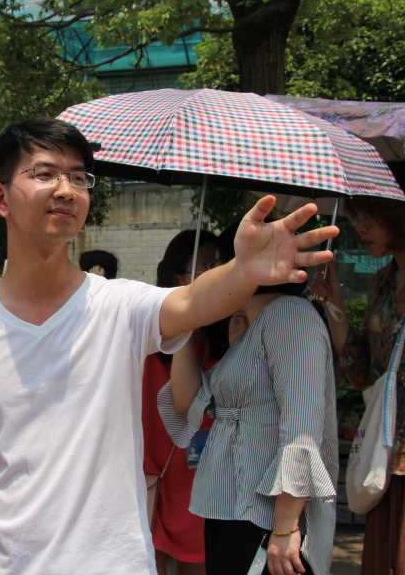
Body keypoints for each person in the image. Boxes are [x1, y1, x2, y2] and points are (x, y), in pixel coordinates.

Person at [0, 117, 338, 575]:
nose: (66, 189)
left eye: (78, 178)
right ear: (0, 197)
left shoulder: (120, 305)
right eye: (45, 174)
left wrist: (243, 271)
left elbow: (191, 301)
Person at [310, 161, 405, 575]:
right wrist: (334, 303)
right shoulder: (382, 283)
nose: (361, 227)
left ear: (403, 209)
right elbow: (363, 373)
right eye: (356, 217)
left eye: (369, 215)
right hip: (385, 464)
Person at [161, 276, 338, 575]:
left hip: (266, 516)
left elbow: (302, 425)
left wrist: (285, 525)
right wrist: (185, 324)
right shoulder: (253, 325)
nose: (215, 274)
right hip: (228, 503)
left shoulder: (290, 314)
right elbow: (188, 399)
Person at [142, 230, 227, 575]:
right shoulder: (149, 338)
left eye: (219, 264)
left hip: (201, 477)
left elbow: (190, 402)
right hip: (153, 476)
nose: (216, 272)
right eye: (206, 265)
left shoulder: (228, 333)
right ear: (178, 276)